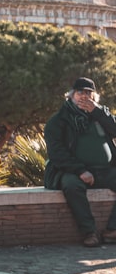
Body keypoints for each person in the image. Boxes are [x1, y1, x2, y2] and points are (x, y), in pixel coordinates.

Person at [44, 77, 116, 247]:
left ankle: (112, 230)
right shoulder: (58, 120)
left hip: (104, 170)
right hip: (72, 172)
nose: (84, 96)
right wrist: (80, 171)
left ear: (94, 96)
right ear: (71, 95)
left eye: (88, 93)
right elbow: (57, 153)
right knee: (71, 186)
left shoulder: (100, 114)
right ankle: (89, 232)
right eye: (80, 92)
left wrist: (97, 112)